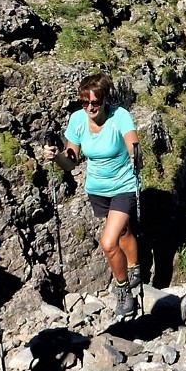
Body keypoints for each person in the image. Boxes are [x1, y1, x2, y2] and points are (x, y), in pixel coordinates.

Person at [43, 73, 142, 319]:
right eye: (84, 103)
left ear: (105, 100)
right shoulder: (77, 120)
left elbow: (132, 141)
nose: (89, 108)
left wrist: (134, 153)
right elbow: (71, 162)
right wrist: (57, 156)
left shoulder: (120, 116)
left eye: (94, 103)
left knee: (108, 243)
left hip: (123, 186)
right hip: (96, 189)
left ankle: (123, 293)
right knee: (121, 231)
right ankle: (134, 267)